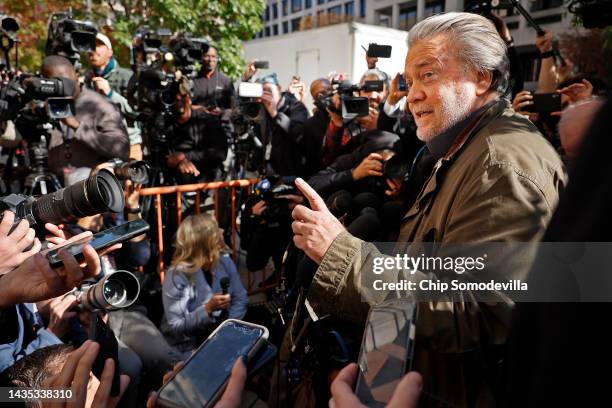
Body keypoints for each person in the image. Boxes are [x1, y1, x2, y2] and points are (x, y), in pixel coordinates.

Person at [290, 12, 566, 407]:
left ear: (482, 78)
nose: (412, 94)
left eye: (429, 75)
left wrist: (344, 256)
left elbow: (479, 310)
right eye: (410, 80)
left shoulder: (500, 165)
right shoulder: (466, 147)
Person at [30, 55, 129, 185]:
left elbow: (121, 148)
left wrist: (76, 126)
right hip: (53, 188)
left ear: (76, 75)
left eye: (66, 80)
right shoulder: (45, 103)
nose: (64, 87)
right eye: (56, 82)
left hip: (90, 190)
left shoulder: (99, 104)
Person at [160, 214, 248, 356]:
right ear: (205, 242)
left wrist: (227, 330)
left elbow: (241, 299)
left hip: (222, 334)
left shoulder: (224, 261)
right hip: (187, 346)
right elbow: (176, 326)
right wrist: (207, 309)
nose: (221, 231)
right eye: (216, 229)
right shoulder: (176, 275)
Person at [85, 32, 143, 160]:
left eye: (99, 46)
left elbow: (137, 112)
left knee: (131, 179)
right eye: (90, 46)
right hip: (99, 144)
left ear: (110, 52)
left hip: (129, 143)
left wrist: (110, 94)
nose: (93, 50)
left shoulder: (127, 76)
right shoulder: (87, 79)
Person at [166, 83, 228, 183]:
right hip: (175, 185)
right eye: (174, 97)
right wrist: (180, 162)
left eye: (182, 96)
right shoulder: (166, 124)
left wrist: (185, 156)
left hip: (208, 184)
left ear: (189, 99)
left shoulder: (207, 120)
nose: (178, 100)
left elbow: (220, 153)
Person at [301, 78, 331, 179]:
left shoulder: (347, 117)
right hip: (321, 177)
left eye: (329, 90)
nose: (327, 95)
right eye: (320, 94)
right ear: (315, 100)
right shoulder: (310, 125)